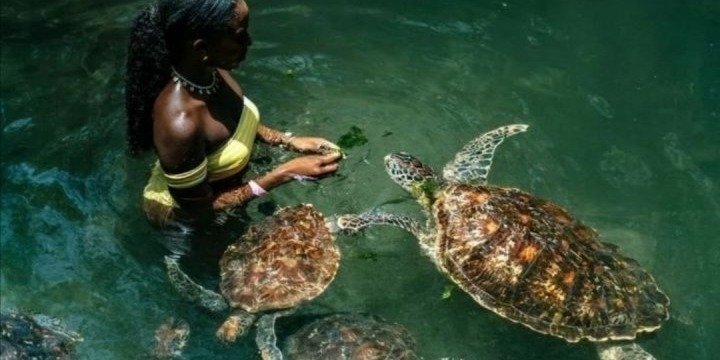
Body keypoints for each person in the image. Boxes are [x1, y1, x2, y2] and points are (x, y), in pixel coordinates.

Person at [125, 0, 342, 228]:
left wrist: (288, 141)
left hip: (230, 191)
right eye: (240, 36)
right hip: (185, 227)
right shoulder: (181, 124)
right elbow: (198, 212)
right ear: (201, 48)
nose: (249, 41)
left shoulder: (210, 72)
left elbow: (234, 118)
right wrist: (284, 174)